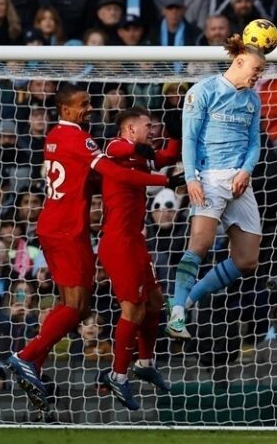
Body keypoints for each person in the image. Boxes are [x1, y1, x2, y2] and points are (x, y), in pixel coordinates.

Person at [6, 84, 181, 411]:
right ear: (66, 110)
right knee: (77, 306)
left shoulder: (56, 137)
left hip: (58, 226)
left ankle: (36, 363)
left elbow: (97, 174)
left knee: (81, 305)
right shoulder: (84, 139)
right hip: (70, 230)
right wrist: (166, 180)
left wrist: (169, 141)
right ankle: (26, 357)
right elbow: (112, 160)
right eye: (83, 105)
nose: (89, 108)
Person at [167, 33, 264, 340]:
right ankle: (178, 314)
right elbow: (190, 138)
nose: (259, 76)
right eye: (257, 70)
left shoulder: (252, 99)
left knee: (247, 260)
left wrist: (246, 171)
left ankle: (186, 299)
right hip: (208, 177)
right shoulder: (203, 90)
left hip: (238, 181)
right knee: (200, 244)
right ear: (239, 61)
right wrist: (191, 177)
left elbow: (254, 142)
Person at [99, 106, 180, 409]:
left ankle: (145, 362)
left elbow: (169, 158)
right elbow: (118, 147)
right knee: (132, 310)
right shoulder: (115, 148)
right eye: (148, 126)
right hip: (118, 243)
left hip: (135, 242)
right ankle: (118, 376)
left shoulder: (140, 155)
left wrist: (175, 134)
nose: (152, 130)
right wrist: (147, 155)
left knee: (156, 302)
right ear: (131, 128)